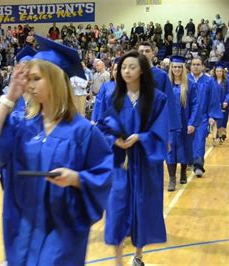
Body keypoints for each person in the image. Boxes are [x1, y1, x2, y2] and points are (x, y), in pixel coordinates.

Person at [0, 34, 113, 265]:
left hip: (64, 226)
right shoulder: (21, 124)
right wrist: (10, 97)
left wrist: (77, 178)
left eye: (36, 78)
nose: (29, 84)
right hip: (22, 223)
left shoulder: (82, 131)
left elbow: (105, 174)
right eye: (28, 78)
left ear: (56, 81)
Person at [97, 51, 169, 266]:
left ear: (142, 71)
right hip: (119, 162)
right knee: (117, 208)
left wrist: (141, 137)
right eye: (123, 67)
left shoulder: (157, 99)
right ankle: (118, 261)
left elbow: (161, 131)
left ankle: (138, 255)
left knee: (142, 207)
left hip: (145, 161)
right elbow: (101, 127)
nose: (126, 71)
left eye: (132, 67)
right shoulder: (112, 96)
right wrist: (113, 140)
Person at [166, 56, 200, 191]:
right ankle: (172, 179)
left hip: (185, 122)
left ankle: (183, 172)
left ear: (183, 68)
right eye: (174, 67)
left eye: (179, 67)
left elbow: (195, 104)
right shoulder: (166, 84)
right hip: (169, 125)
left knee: (185, 149)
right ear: (171, 68)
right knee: (170, 151)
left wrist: (192, 123)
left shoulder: (190, 84)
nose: (177, 69)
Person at [188, 57, 222, 177]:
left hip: (202, 117)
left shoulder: (209, 81)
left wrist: (212, 116)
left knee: (200, 141)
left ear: (203, 66)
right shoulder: (186, 80)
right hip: (188, 117)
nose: (196, 66)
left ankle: (198, 165)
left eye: (198, 64)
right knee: (188, 141)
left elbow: (213, 99)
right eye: (193, 64)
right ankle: (189, 161)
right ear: (190, 66)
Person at [138, 41, 181, 133]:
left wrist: (169, 129)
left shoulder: (161, 76)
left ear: (153, 53)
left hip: (155, 122)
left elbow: (168, 102)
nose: (144, 54)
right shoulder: (131, 74)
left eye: (147, 51)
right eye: (141, 51)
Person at [212, 63, 229, 142]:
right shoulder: (212, 80)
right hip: (214, 104)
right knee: (215, 120)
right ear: (215, 72)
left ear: (223, 72)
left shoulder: (227, 80)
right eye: (217, 71)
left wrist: (227, 101)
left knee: (223, 119)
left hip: (224, 104)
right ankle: (216, 134)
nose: (219, 73)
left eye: (220, 71)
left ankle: (222, 134)